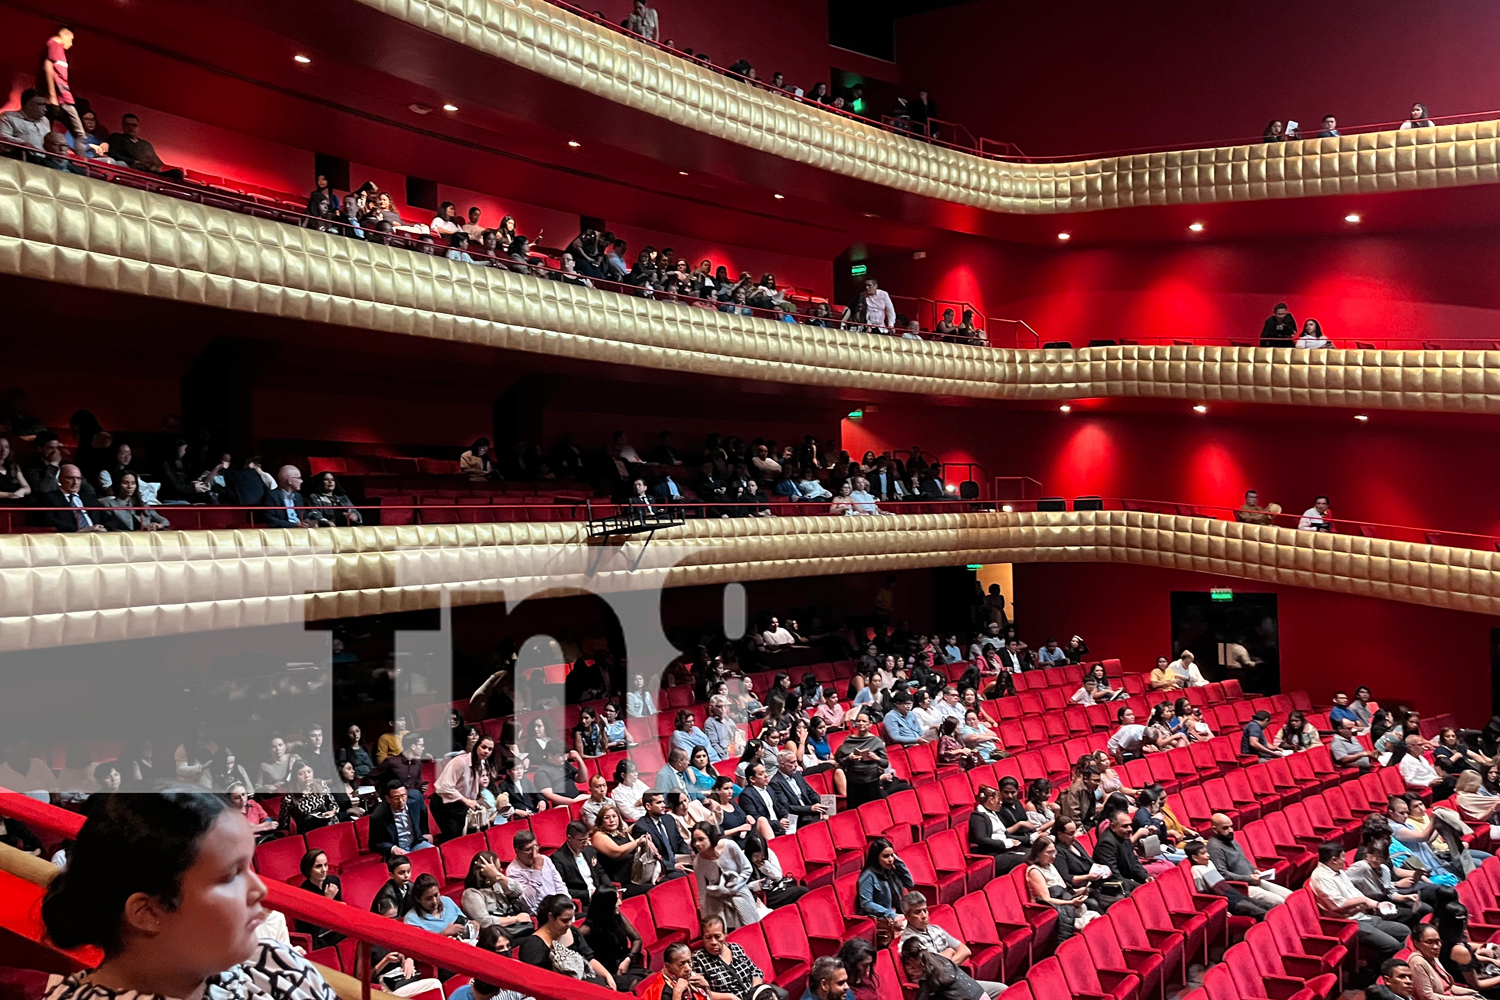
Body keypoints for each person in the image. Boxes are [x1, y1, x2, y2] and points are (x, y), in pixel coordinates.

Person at [40, 791, 341, 1000]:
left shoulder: (275, 962)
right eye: (229, 876)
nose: (260, 890)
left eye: (248, 866)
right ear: (148, 912)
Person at [1308, 842, 1411, 973]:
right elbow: (1337, 906)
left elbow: (1355, 893)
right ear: (1333, 860)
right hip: (1348, 922)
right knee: (1393, 946)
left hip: (1362, 915)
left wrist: (1378, 905)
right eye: (1342, 857)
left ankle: (1390, 970)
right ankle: (1370, 972)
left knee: (1404, 931)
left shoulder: (1337, 871)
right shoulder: (1322, 877)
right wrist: (1363, 900)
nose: (1345, 860)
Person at [899, 891, 1005, 997]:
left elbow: (965, 951)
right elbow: (933, 968)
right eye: (917, 912)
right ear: (907, 916)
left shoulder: (935, 929)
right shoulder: (910, 942)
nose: (924, 916)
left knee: (1002, 990)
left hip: (955, 979)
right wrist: (949, 954)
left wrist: (947, 968)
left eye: (925, 910)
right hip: (938, 989)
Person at [517, 894, 616, 987]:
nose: (569, 924)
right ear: (550, 917)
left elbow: (588, 958)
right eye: (564, 920)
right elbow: (537, 982)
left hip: (589, 979)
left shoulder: (571, 931)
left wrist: (607, 976)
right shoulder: (533, 946)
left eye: (571, 919)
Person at [1207, 812, 1291, 907]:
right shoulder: (1214, 847)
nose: (1230, 830)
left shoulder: (1230, 840)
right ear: (1214, 829)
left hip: (1252, 880)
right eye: (1225, 828)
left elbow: (1243, 859)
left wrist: (1254, 870)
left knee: (1289, 896)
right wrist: (1249, 879)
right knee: (1278, 901)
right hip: (1241, 887)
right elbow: (1222, 874)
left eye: (1231, 826)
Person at [690, 822, 759, 930]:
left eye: (701, 839)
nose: (697, 844)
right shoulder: (698, 862)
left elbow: (747, 868)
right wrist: (705, 920)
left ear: (711, 837)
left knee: (750, 928)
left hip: (739, 891)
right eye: (694, 841)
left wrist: (734, 886)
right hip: (717, 899)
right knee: (725, 932)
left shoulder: (729, 846)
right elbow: (702, 892)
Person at [1024, 836, 1092, 942]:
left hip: (1065, 902)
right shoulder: (1035, 871)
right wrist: (1070, 902)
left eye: (1054, 852)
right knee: (1092, 924)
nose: (1054, 856)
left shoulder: (1050, 865)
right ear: (1038, 853)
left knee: (1096, 917)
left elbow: (1064, 888)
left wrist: (1083, 890)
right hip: (1051, 908)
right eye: (1049, 852)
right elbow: (1046, 899)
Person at [835, 712, 908, 807]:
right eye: (858, 721)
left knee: (872, 808)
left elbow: (885, 763)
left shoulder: (876, 741)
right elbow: (841, 762)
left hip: (871, 782)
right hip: (854, 783)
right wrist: (850, 758)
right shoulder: (848, 740)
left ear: (870, 724)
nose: (861, 723)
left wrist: (875, 758)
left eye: (864, 721)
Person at [693, 913, 772, 1000]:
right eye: (708, 937)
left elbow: (755, 971)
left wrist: (755, 992)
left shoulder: (736, 948)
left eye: (717, 936)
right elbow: (700, 992)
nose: (713, 942)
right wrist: (730, 997)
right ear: (702, 938)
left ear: (725, 934)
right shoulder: (698, 959)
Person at [431, 735, 495, 840]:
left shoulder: (482, 765)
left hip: (460, 804)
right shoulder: (460, 762)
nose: (486, 751)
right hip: (443, 804)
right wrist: (467, 801)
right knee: (454, 838)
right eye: (483, 747)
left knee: (466, 836)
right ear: (476, 746)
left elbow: (473, 790)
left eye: (490, 749)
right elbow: (444, 786)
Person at [899, 938, 994, 1000]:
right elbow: (950, 951)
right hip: (982, 994)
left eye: (909, 962)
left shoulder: (928, 977)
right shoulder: (940, 958)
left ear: (911, 960)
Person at [856, 838, 914, 939]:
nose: (890, 859)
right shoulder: (868, 876)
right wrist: (891, 914)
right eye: (886, 856)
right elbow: (866, 903)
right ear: (876, 858)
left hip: (897, 914)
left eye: (892, 855)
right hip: (884, 918)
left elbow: (909, 882)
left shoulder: (890, 870)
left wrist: (897, 862)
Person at [1408, 922, 1479, 1000]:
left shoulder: (1433, 956)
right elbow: (1428, 997)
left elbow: (1448, 987)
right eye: (1429, 942)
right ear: (1416, 943)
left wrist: (1473, 993)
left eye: (1438, 942)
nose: (1435, 947)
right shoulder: (1418, 963)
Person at [551, 820, 610, 912]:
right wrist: (589, 894)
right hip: (584, 902)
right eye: (582, 841)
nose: (586, 844)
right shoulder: (558, 859)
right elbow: (562, 889)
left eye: (587, 839)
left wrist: (610, 889)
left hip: (599, 895)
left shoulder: (589, 850)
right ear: (569, 838)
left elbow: (600, 872)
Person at [1093, 808, 1150, 892]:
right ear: (1113, 826)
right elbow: (1114, 874)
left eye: (1130, 825)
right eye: (1125, 826)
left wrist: (1145, 878)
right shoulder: (1106, 843)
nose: (1130, 829)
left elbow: (1134, 861)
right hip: (1115, 885)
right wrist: (1138, 886)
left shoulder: (1123, 836)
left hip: (1127, 879)